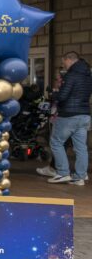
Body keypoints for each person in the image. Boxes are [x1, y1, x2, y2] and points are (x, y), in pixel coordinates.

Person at [38, 52, 91, 186]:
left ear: (69, 59)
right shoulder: (87, 75)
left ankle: (62, 173)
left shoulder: (71, 75)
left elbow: (62, 96)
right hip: (84, 114)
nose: (63, 65)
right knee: (81, 147)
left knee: (56, 142)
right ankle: (80, 176)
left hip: (68, 115)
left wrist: (53, 94)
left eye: (63, 62)